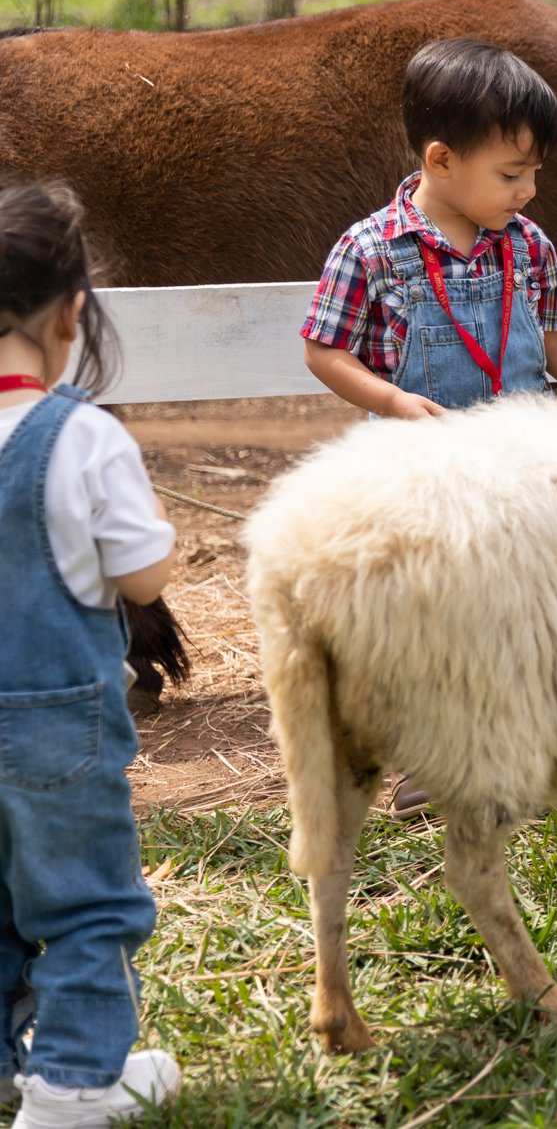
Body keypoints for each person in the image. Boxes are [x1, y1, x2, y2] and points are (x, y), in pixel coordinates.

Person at [301, 37, 557, 817]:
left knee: (532, 601)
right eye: (511, 174)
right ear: (442, 160)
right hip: (422, 468)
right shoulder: (371, 249)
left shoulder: (529, 246)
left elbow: (555, 339)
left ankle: (537, 744)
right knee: (434, 613)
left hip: (522, 461)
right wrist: (391, 401)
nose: (529, 190)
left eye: (535, 172)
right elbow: (323, 350)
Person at [0, 184, 184, 1126]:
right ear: (72, 313)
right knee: (84, 901)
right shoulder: (81, 437)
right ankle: (73, 1084)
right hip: (54, 725)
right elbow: (143, 576)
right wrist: (161, 531)